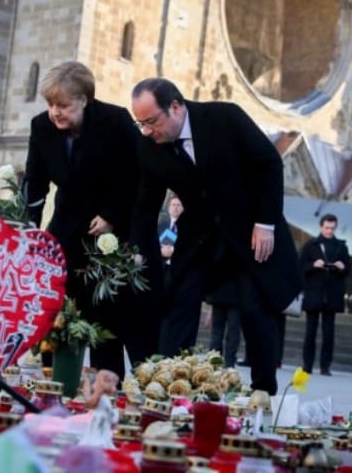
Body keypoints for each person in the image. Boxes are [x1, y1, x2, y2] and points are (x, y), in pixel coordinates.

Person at [129, 78, 301, 395]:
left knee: (254, 307)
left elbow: (268, 164)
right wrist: (138, 249)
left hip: (248, 229)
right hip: (199, 234)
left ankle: (263, 391)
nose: (148, 131)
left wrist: (265, 222)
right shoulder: (149, 146)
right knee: (179, 300)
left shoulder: (224, 118)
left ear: (176, 107)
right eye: (141, 124)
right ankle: (166, 384)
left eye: (152, 121)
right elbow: (145, 205)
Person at [23, 61, 160, 379]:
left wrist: (113, 215)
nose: (55, 112)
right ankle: (53, 382)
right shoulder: (41, 127)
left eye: (63, 105)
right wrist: (27, 229)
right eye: (50, 105)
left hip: (112, 236)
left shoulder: (115, 121)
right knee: (58, 313)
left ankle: (107, 387)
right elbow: (35, 181)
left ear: (84, 100)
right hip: (67, 230)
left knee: (105, 318)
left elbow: (142, 174)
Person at [299, 213, 349, 376]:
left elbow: (347, 270)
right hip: (314, 293)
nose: (329, 231)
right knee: (310, 333)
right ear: (321, 227)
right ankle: (307, 365)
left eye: (332, 228)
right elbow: (300, 268)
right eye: (327, 228)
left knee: (329, 334)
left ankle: (325, 366)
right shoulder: (310, 245)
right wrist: (313, 265)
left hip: (332, 295)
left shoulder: (341, 246)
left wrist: (342, 267)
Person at [157, 195, 183, 270]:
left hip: (176, 266)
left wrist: (172, 250)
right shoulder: (160, 225)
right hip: (159, 264)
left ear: (182, 208)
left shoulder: (187, 229)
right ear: (168, 208)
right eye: (173, 205)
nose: (176, 208)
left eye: (178, 205)